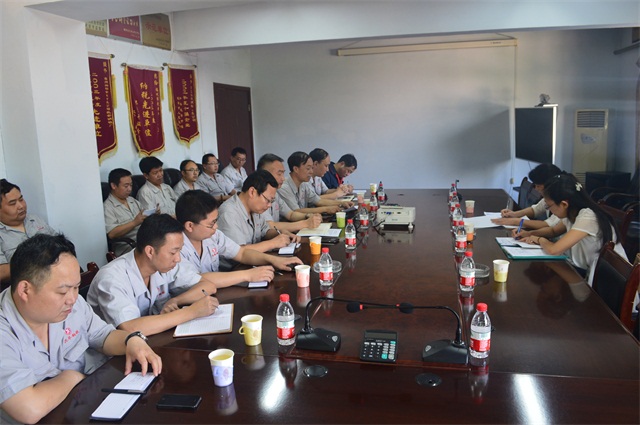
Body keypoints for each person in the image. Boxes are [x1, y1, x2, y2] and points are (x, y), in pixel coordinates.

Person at [0, 234, 161, 424]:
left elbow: (103, 336)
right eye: (62, 291)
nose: (72, 299)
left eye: (76, 288)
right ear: (25, 290)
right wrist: (73, 377)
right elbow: (28, 409)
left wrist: (131, 340)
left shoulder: (69, 305)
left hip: (79, 408)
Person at [87, 214, 219, 336]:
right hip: (116, 351)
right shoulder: (112, 278)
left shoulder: (163, 264)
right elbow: (129, 328)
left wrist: (175, 301)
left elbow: (207, 286)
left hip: (151, 339)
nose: (178, 259)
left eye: (180, 251)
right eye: (173, 252)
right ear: (150, 251)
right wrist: (192, 312)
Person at [176, 190, 302, 288]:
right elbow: (199, 279)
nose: (216, 227)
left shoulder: (213, 235)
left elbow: (241, 253)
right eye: (211, 224)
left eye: (215, 221)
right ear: (190, 226)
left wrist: (274, 260)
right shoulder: (175, 247)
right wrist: (247, 275)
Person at [519, 173, 627, 284]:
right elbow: (553, 231)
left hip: (609, 281)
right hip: (589, 272)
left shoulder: (588, 217)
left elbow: (553, 250)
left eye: (548, 206)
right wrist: (529, 234)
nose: (549, 210)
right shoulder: (573, 213)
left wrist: (539, 239)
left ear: (564, 204)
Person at [217, 170, 294, 255]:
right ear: (252, 192)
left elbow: (265, 231)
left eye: (271, 201)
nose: (269, 205)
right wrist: (273, 243)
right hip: (237, 263)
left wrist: (280, 234)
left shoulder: (255, 208)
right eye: (268, 200)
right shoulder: (229, 213)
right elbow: (239, 252)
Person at [0, 179, 57, 283]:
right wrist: (39, 260)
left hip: (56, 275)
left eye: (21, 199)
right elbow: (2, 272)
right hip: (27, 285)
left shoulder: (35, 219)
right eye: (12, 203)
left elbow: (59, 242)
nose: (21, 206)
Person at [258, 153, 323, 232]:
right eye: (279, 174)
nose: (283, 178)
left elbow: (291, 214)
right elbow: (270, 225)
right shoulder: (258, 195)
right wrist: (305, 223)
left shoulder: (275, 194)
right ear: (264, 174)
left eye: (283, 173)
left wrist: (307, 216)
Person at [492, 163, 562, 233]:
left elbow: (547, 225)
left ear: (550, 185)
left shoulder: (562, 201)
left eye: (538, 186)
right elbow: (535, 210)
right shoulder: (549, 196)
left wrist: (516, 221)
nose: (536, 189)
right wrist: (514, 214)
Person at [278, 151, 353, 215]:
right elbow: (296, 211)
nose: (311, 172)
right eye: (308, 168)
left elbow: (318, 200)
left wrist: (342, 203)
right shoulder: (284, 187)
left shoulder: (303, 183)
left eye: (312, 168)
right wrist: (326, 209)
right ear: (296, 169)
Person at [104, 168, 148, 256]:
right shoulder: (108, 207)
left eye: (131, 185)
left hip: (145, 239)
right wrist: (134, 223)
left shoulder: (132, 200)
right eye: (126, 186)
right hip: (128, 246)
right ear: (113, 186)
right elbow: (112, 234)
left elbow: (144, 215)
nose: (130, 189)